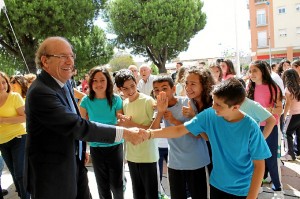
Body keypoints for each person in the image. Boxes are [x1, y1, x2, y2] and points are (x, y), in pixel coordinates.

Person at [24, 36, 144, 199]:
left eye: (71, 56)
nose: (69, 61)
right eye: (63, 57)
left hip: (74, 162)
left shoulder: (64, 82)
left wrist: (79, 149)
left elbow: (71, 118)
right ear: (45, 61)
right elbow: (76, 125)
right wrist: (125, 133)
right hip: (53, 174)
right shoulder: (41, 92)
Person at [142, 78, 271, 199]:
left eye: (219, 105)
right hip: (217, 185)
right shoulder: (210, 114)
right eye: (214, 102)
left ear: (235, 107)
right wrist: (149, 134)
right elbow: (179, 130)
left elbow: (259, 166)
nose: (214, 107)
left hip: (243, 190)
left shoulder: (251, 127)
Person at [151, 76, 210, 199]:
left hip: (196, 162)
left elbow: (200, 135)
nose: (161, 92)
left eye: (164, 88)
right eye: (156, 90)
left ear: (173, 89)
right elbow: (152, 133)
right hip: (175, 163)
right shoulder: (160, 107)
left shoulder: (188, 103)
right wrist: (160, 112)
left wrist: (174, 120)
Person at [79, 66, 124, 199]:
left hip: (115, 146)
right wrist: (83, 149)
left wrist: (122, 122)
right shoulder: (86, 101)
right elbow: (80, 126)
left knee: (117, 185)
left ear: (108, 82)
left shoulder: (116, 99)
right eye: (95, 81)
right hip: (96, 148)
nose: (99, 84)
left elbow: (120, 121)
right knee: (102, 185)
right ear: (90, 82)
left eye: (102, 80)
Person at [115, 69, 159, 199]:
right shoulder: (124, 103)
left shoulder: (148, 101)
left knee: (151, 194)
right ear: (119, 89)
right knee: (137, 194)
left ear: (136, 83)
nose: (130, 91)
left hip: (148, 156)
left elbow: (153, 129)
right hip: (132, 156)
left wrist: (130, 125)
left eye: (132, 86)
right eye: (125, 89)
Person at [247, 60, 283, 195]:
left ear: (263, 71)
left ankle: (277, 185)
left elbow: (280, 109)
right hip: (254, 127)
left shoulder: (274, 88)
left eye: (254, 70)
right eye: (250, 71)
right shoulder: (249, 87)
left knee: (271, 157)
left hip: (271, 126)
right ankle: (258, 183)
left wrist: (268, 110)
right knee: (255, 156)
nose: (251, 74)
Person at [0, 72, 29, 199]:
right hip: (2, 141)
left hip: (18, 137)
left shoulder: (14, 97)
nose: (1, 85)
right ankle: (23, 195)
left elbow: (25, 117)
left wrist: (3, 120)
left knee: (20, 173)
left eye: (3, 82)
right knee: (14, 173)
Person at [281, 69, 300, 161]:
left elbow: (288, 104)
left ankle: (290, 154)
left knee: (286, 132)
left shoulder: (288, 88)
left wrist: (284, 115)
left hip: (293, 114)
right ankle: (298, 152)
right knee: (298, 133)